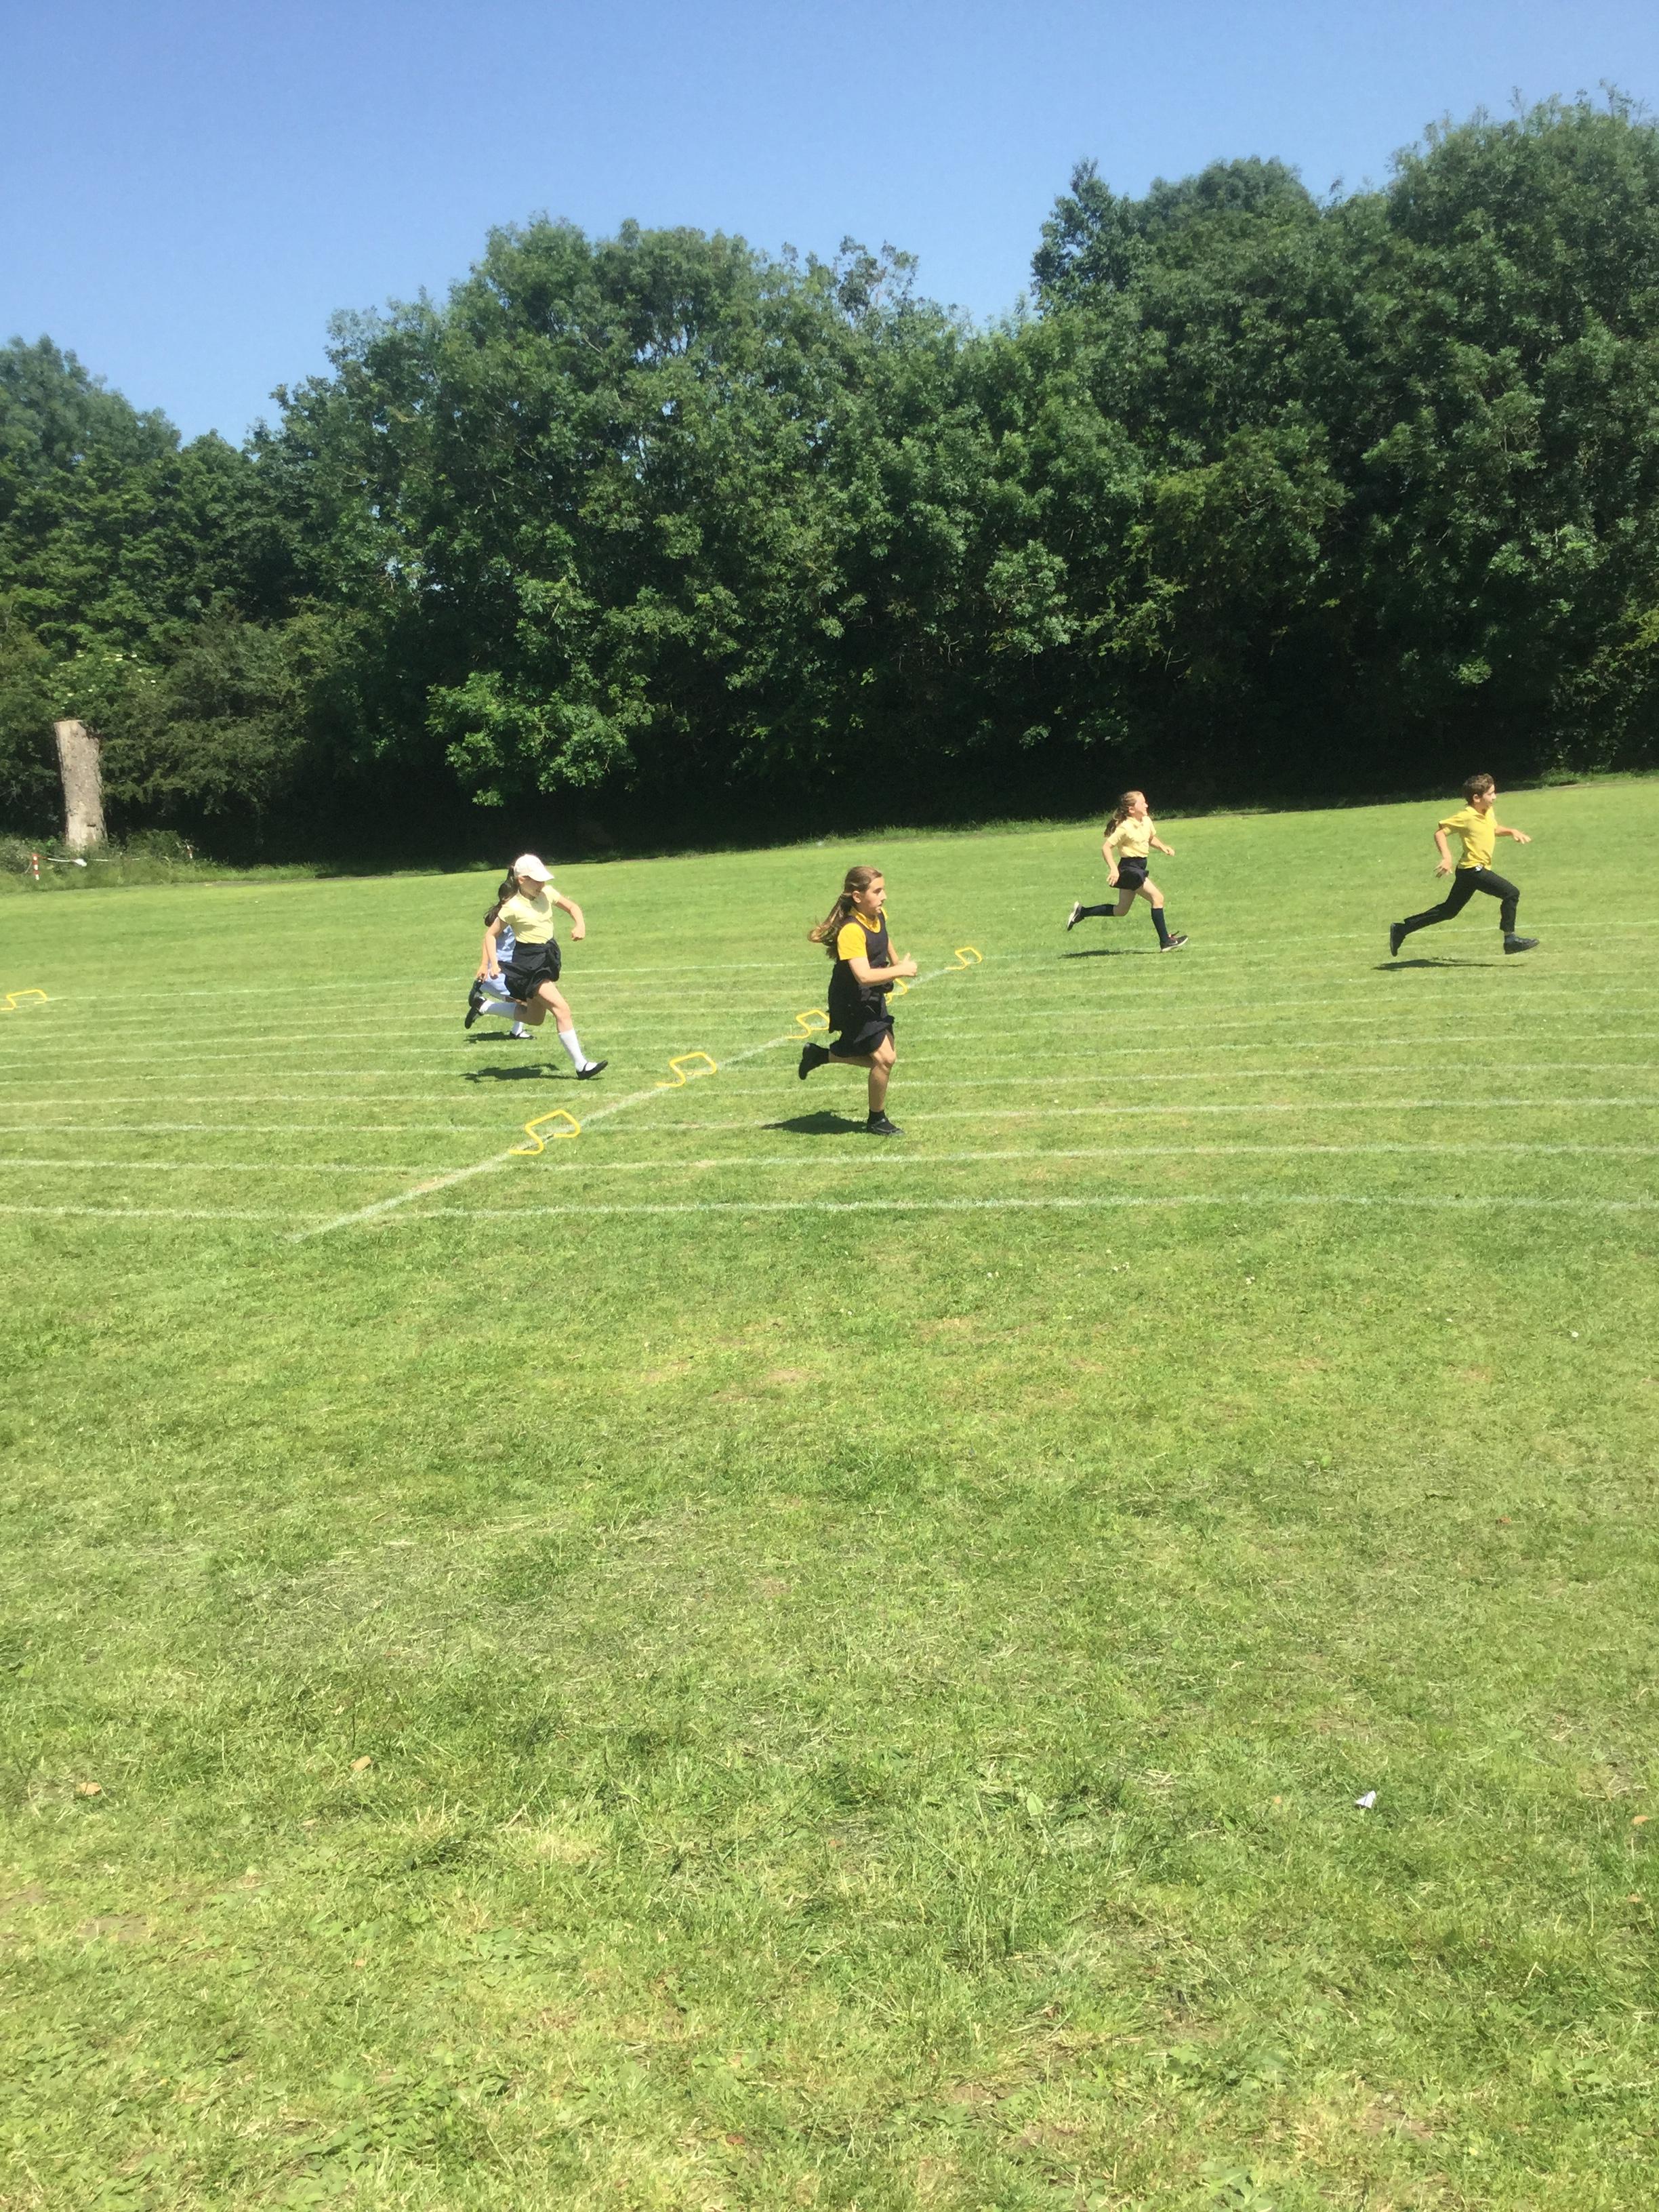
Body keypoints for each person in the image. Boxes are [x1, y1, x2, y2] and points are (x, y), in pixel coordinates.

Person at [796, 864, 917, 1135]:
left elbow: (884, 936)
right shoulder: (851, 931)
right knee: (885, 1059)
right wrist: (900, 971)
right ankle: (877, 1120)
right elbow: (863, 976)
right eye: (877, 891)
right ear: (857, 897)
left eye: (883, 889)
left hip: (872, 996)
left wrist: (896, 961)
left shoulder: (876, 914)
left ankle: (819, 1055)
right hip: (852, 1001)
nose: (884, 896)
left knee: (881, 1059)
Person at [469, 853, 607, 1076]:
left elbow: (573, 907)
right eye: (537, 880)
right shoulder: (512, 907)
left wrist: (580, 925)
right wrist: (492, 964)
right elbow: (490, 935)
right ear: (522, 880)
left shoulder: (547, 893)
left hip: (547, 957)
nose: (541, 884)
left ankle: (483, 1006)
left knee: (534, 1018)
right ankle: (581, 1065)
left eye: (543, 880)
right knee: (562, 1009)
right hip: (529, 965)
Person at [1389, 775, 1538, 957]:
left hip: (1469, 872)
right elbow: (1440, 834)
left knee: (1448, 911)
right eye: (1491, 794)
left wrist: (1511, 831)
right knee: (1511, 893)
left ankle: (1401, 929)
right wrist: (1447, 857)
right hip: (1473, 870)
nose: (1495, 797)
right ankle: (1510, 939)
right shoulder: (1466, 816)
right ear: (1476, 798)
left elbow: (1493, 829)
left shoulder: (1487, 811)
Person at [1066, 791, 1187, 949]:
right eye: (1142, 803)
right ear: (1131, 809)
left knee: (1121, 910)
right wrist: (1113, 869)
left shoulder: (1146, 821)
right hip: (1130, 869)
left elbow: (1150, 838)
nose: (1146, 805)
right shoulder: (1125, 827)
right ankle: (1165, 941)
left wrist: (1163, 847)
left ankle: (1082, 912)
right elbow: (1106, 848)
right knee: (1157, 898)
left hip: (1138, 867)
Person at [464, 879, 533, 1038]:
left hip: (511, 968)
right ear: (506, 900)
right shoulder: (503, 917)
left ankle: (517, 1030)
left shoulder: (515, 913)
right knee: (525, 1003)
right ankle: (483, 1004)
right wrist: (484, 965)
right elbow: (488, 939)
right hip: (499, 970)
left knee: (528, 1000)